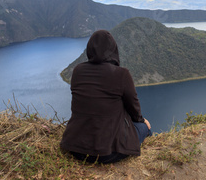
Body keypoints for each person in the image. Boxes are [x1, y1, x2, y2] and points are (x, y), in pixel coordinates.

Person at [60, 29, 152, 164]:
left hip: (75, 149)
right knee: (145, 128)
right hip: (109, 153)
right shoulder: (121, 74)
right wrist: (142, 121)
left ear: (89, 49)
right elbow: (133, 107)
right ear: (113, 50)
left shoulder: (78, 71)